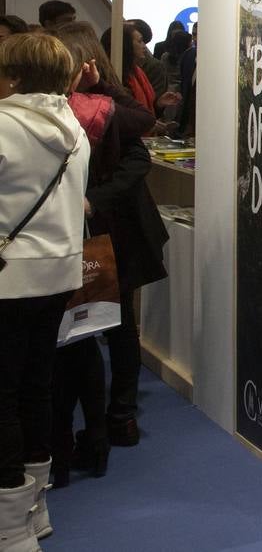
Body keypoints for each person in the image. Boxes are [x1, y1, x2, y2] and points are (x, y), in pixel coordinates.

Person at [53, 24, 168, 449]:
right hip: (90, 230)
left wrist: (92, 201)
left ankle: (118, 417)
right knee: (85, 331)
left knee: (115, 326)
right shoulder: (70, 107)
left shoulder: (101, 107)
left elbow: (139, 142)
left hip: (113, 231)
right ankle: (101, 421)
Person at [0, 32, 92, 547]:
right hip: (58, 274)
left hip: (9, 278)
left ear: (14, 75)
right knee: (36, 387)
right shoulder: (73, 127)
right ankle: (33, 509)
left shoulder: (4, 124)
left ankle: (10, 526)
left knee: (3, 396)